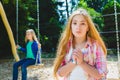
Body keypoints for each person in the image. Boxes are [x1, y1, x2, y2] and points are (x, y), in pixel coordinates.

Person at [53, 8, 108, 80]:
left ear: (88, 27)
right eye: (75, 23)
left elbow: (101, 74)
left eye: (82, 23)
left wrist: (82, 63)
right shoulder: (65, 45)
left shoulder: (95, 45)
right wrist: (73, 62)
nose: (78, 27)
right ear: (71, 26)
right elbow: (60, 73)